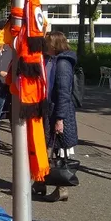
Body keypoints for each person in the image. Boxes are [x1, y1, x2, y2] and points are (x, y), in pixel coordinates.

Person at [36, 31, 78, 202]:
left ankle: (60, 188)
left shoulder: (62, 64)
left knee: (58, 151)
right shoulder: (51, 60)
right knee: (46, 147)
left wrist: (60, 118)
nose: (44, 46)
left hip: (59, 112)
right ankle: (40, 182)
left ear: (54, 45)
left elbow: (63, 93)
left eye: (47, 43)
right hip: (50, 110)